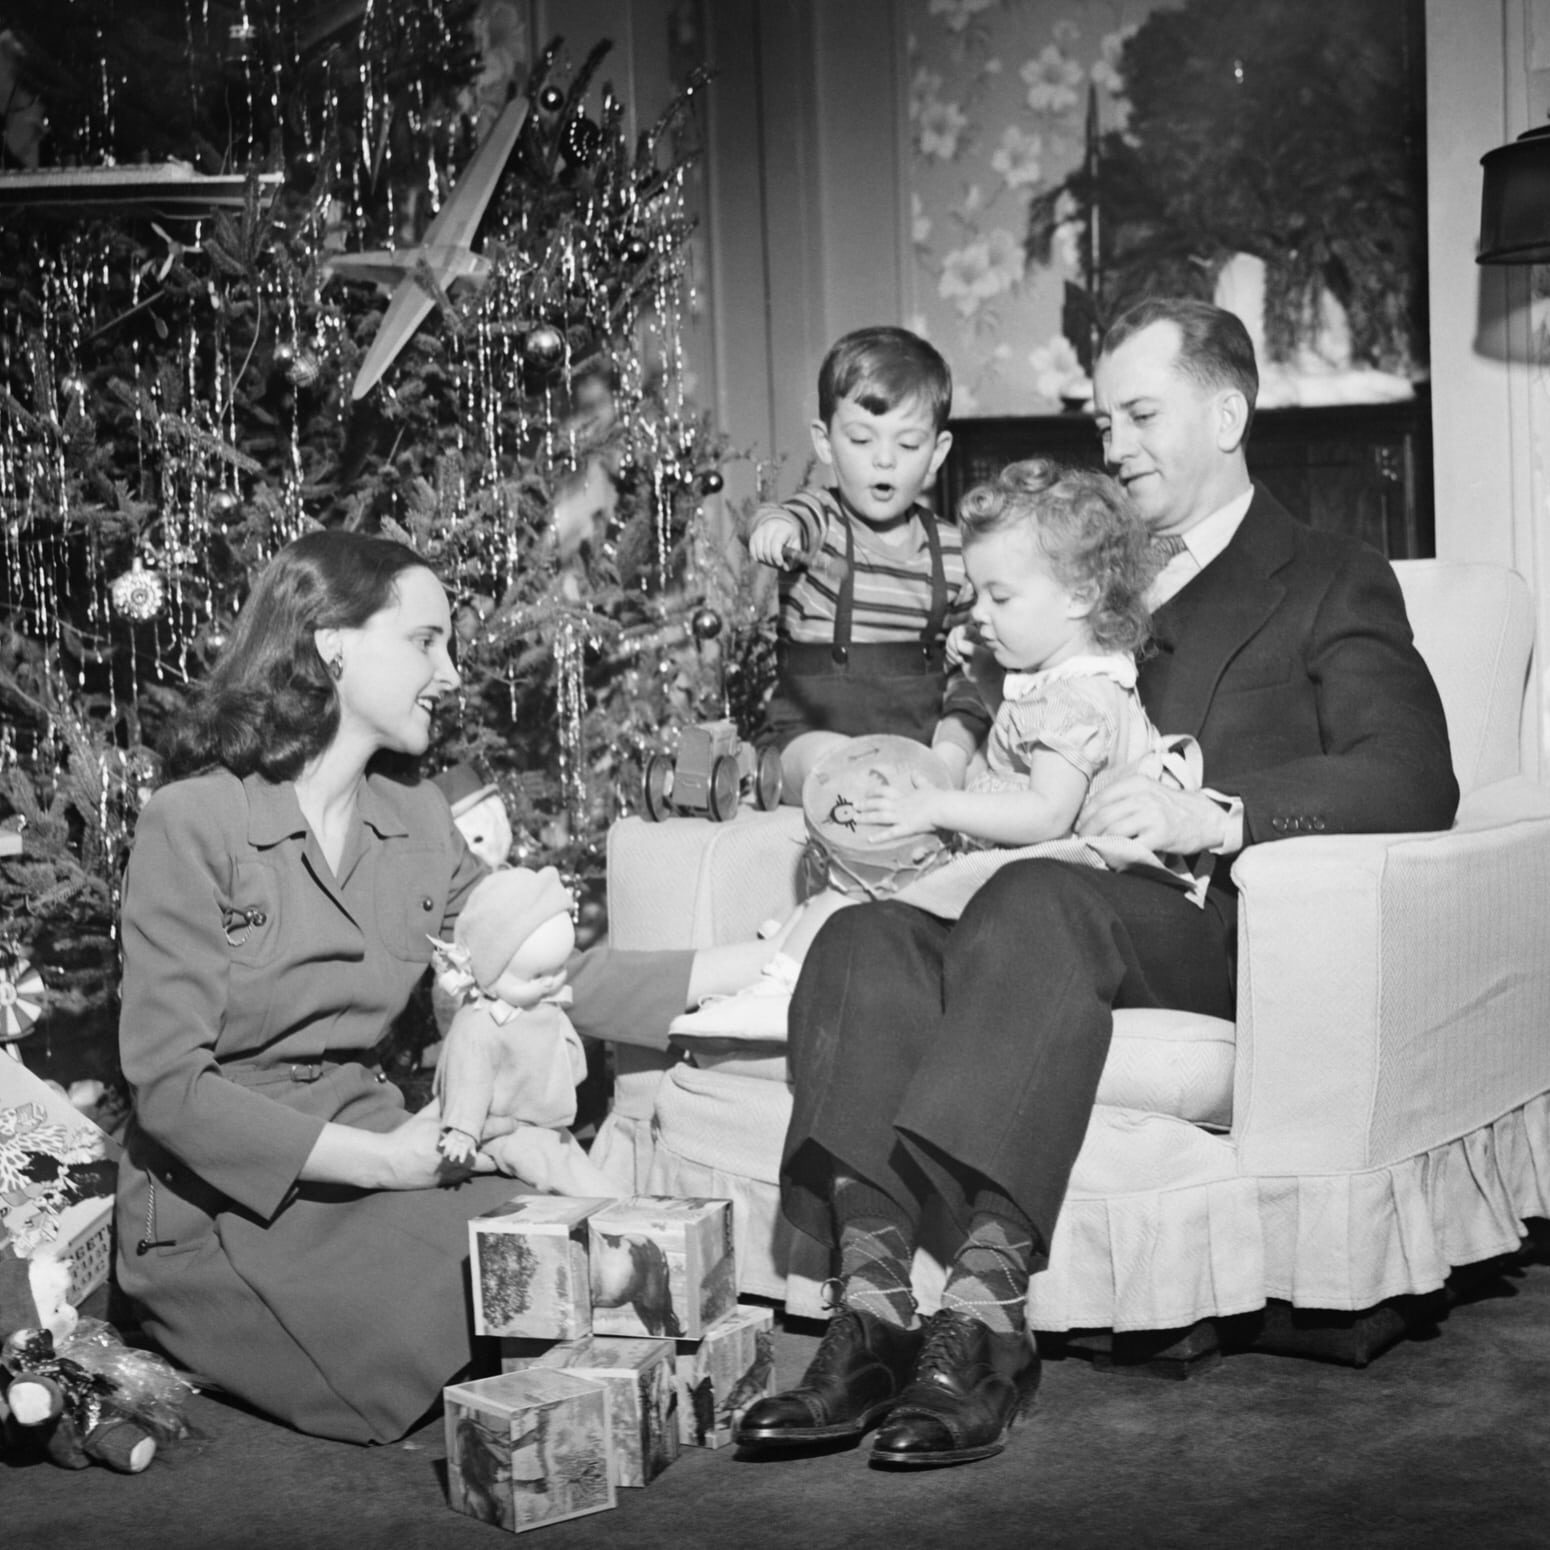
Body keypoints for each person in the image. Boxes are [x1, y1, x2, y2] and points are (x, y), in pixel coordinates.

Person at [734, 296, 1459, 1470]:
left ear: (1225, 413)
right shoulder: (1056, 568)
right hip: (1032, 894)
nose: (1110, 442)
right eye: (1098, 416)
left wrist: (1215, 810)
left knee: (1034, 901)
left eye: (1138, 413)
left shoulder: (1327, 573)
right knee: (859, 940)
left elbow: (1413, 772)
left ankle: (979, 1317)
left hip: (1194, 917)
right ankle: (867, 1308)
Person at [112, 529, 813, 1445]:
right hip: (217, 1198)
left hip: (378, 1138)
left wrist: (761, 962)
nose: (450, 673)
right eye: (425, 641)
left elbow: (545, 976)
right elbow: (171, 1089)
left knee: (556, 1251)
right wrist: (389, 1163)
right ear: (332, 645)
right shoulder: (195, 819)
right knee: (472, 1288)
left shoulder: (413, 818)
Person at [748, 325, 989, 798]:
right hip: (806, 739)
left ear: (938, 453)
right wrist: (772, 529)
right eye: (861, 440)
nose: (884, 460)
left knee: (984, 772)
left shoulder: (954, 553)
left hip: (916, 749)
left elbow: (971, 677)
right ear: (825, 442)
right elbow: (783, 516)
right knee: (831, 763)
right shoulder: (822, 523)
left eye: (908, 444)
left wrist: (952, 754)